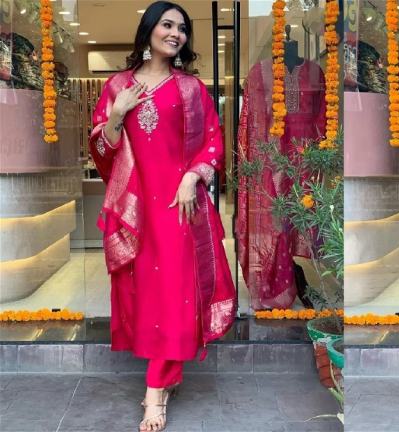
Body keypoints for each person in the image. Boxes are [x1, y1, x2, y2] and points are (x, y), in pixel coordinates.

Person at [88, 2, 236, 430]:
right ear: (149, 30)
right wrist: (118, 113)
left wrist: (192, 177)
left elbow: (214, 141)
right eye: (167, 25)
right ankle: (166, 375)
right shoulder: (117, 85)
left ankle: (155, 390)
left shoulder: (190, 88)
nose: (176, 33)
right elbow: (103, 149)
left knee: (176, 291)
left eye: (182, 28)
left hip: (179, 205)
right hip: (136, 207)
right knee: (148, 291)